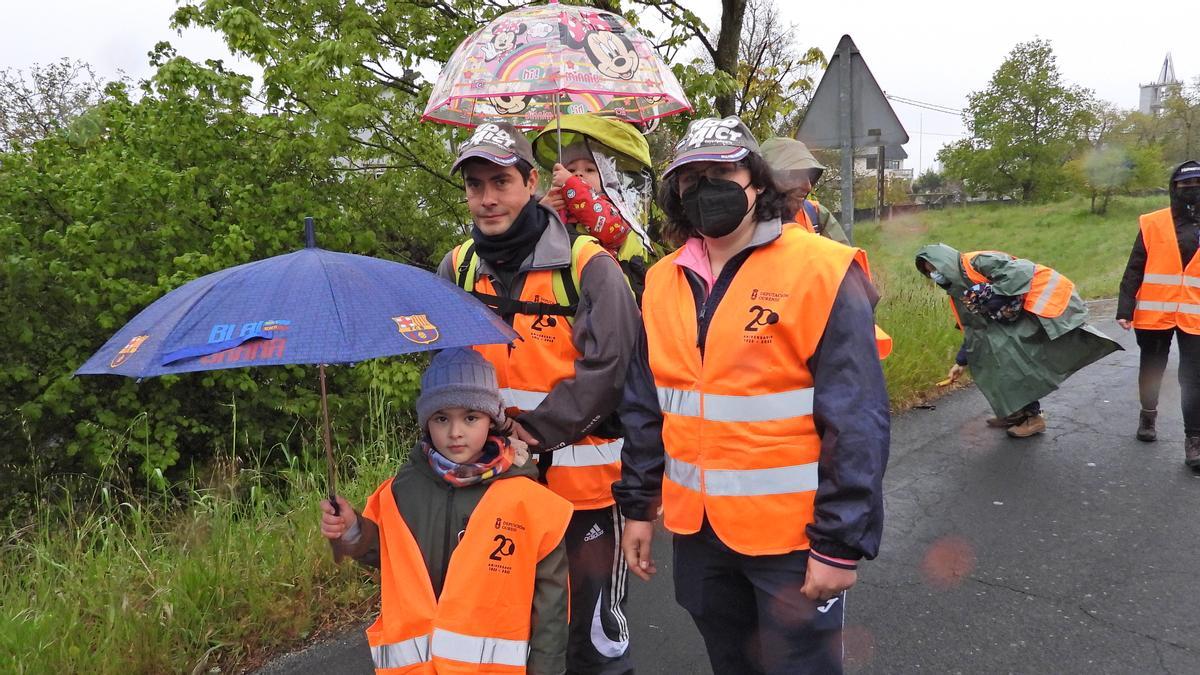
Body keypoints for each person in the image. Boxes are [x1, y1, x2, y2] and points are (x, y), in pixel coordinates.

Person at [614, 116, 890, 675]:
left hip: (794, 540)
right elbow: (647, 405)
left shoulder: (821, 270)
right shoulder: (663, 280)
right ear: (676, 194)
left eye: (722, 171)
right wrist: (638, 507)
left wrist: (840, 542)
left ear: (757, 182)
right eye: (691, 179)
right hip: (699, 535)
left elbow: (857, 416)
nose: (706, 187)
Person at [436, 122, 641, 674]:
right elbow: (444, 373)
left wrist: (530, 432)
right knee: (510, 628)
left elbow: (611, 369)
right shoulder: (457, 268)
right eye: (475, 184)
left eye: (500, 181)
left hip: (585, 494)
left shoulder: (588, 266)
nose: (487, 198)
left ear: (531, 181)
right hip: (491, 486)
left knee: (593, 638)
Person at [319, 348, 573, 674]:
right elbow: (390, 557)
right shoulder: (404, 490)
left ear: (492, 420)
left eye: (470, 417)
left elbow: (551, 603)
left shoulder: (526, 501)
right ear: (427, 422)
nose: (455, 432)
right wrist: (353, 528)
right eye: (442, 418)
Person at [916, 245, 1122, 437]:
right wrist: (961, 362)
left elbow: (1021, 272)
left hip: (1037, 305)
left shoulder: (977, 262)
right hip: (1011, 314)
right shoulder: (958, 292)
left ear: (945, 261)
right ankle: (1016, 411)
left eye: (935, 267)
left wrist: (990, 295)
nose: (934, 274)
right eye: (929, 271)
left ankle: (1033, 417)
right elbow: (974, 330)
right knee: (990, 356)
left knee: (1013, 357)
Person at [1116, 161, 1200, 466]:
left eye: (1197, 185)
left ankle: (1194, 441)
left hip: (1195, 316)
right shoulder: (1154, 222)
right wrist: (1125, 307)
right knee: (1152, 366)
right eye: (1186, 186)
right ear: (1173, 188)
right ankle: (1148, 417)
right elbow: (1135, 266)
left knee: (1193, 378)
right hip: (1155, 311)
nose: (1192, 191)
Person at [533, 114, 657, 302]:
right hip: (559, 289)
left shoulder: (616, 206)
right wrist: (541, 210)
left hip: (605, 292)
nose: (579, 174)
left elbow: (609, 229)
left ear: (605, 178)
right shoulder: (556, 202)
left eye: (590, 170)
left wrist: (571, 184)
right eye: (571, 170)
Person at [759, 136, 850, 244]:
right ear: (765, 178)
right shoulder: (742, 223)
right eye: (794, 175)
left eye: (810, 176)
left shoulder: (817, 214)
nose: (808, 186)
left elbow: (843, 258)